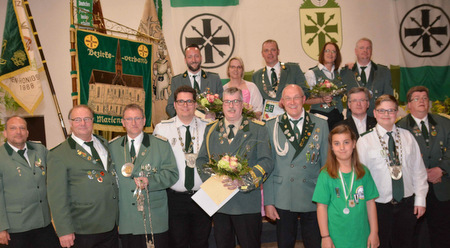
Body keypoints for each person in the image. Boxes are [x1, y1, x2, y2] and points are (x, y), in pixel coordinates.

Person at [196, 87, 273, 248]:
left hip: (246, 203)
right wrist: (213, 180)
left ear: (243, 104)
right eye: (227, 102)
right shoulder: (211, 130)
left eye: (236, 101)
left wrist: (242, 181)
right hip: (221, 203)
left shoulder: (258, 129)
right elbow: (201, 160)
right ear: (222, 105)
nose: (231, 106)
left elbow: (267, 161)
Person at [357, 95, 428, 248]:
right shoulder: (365, 140)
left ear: (397, 113)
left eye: (391, 110)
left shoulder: (408, 136)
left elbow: (419, 171)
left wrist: (420, 199)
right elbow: (360, 177)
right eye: (382, 111)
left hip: (407, 204)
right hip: (378, 205)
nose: (386, 114)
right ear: (375, 113)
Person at [264, 84, 329, 248]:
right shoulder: (271, 125)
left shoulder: (320, 124)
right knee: (285, 244)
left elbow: (326, 164)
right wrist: (269, 201)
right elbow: (268, 166)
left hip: (313, 194)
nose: (292, 102)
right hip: (283, 195)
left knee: (314, 242)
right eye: (288, 98)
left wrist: (327, 198)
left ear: (304, 100)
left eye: (296, 97)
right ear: (282, 102)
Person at [47, 105, 119, 248]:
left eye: (87, 119)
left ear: (93, 121)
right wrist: (64, 230)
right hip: (83, 228)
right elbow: (57, 198)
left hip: (111, 225)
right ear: (70, 122)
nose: (83, 123)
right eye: (77, 119)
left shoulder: (104, 144)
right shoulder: (58, 154)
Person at [109, 104, 178, 248]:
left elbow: (172, 174)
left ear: (144, 120)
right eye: (129, 119)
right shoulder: (112, 147)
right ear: (123, 122)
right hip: (127, 217)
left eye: (137, 118)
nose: (134, 123)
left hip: (153, 215)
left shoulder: (160, 144)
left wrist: (150, 181)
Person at [153, 85, 212, 248]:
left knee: (201, 242)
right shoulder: (162, 129)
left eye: (189, 101)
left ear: (195, 104)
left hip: (203, 196)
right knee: (177, 242)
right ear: (175, 104)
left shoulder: (208, 127)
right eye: (181, 101)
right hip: (175, 198)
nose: (185, 105)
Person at [397, 86, 450, 248]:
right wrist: (422, 174)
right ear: (408, 106)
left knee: (442, 233)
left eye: (425, 98)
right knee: (415, 234)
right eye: (416, 98)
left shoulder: (445, 123)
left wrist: (441, 169)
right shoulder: (400, 127)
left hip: (441, 187)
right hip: (413, 190)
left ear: (429, 103)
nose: (421, 101)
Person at [312, 124, 379, 248]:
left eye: (346, 142)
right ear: (331, 147)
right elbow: (321, 207)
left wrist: (374, 232)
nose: (342, 147)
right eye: (337, 143)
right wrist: (325, 236)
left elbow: (370, 203)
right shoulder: (326, 174)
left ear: (354, 144)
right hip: (336, 238)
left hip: (361, 236)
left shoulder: (363, 172)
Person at [0, 116, 60, 248]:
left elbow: (58, 165)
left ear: (27, 132)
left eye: (22, 128)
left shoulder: (39, 150)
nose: (18, 132)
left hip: (43, 222)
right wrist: (1, 227)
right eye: (13, 128)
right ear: (5, 133)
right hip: (16, 227)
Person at [252, 39, 308, 119]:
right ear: (262, 54)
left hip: (292, 117)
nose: (270, 53)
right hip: (268, 121)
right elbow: (256, 103)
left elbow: (305, 92)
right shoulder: (256, 76)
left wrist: (289, 101)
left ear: (278, 51)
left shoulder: (293, 69)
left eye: (273, 50)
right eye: (266, 50)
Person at [166, 44, 223, 117]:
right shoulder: (177, 81)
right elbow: (170, 107)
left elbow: (223, 105)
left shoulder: (214, 79)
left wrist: (214, 114)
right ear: (185, 60)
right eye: (190, 57)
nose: (194, 60)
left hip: (209, 124)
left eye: (196, 56)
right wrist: (184, 117)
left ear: (201, 58)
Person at [340, 38, 393, 117]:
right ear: (355, 51)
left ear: (371, 51)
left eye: (368, 48)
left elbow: (389, 98)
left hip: (377, 119)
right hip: (353, 121)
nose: (365, 50)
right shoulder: (346, 72)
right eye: (361, 48)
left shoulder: (383, 72)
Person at [305, 42, 345, 130]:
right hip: (319, 115)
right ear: (322, 53)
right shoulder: (311, 74)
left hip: (337, 116)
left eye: (333, 51)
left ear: (337, 55)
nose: (330, 54)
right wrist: (321, 99)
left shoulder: (340, 73)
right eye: (327, 51)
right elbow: (305, 100)